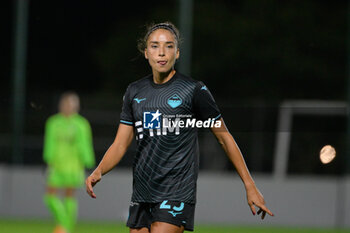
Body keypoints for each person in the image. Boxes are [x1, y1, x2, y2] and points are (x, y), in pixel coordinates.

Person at [85, 22, 273, 233]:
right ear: (146, 53)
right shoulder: (134, 91)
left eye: (169, 46)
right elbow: (120, 144)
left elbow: (224, 137)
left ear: (178, 53)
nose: (162, 52)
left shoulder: (193, 89)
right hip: (143, 190)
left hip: (177, 189)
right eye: (155, 46)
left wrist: (249, 185)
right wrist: (99, 171)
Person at [43, 92, 95, 233]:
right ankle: (64, 224)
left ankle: (65, 228)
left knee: (69, 195)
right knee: (50, 196)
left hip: (74, 165)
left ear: (76, 106)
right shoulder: (53, 122)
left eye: (71, 104)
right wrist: (49, 160)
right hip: (57, 164)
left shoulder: (81, 124)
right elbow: (49, 143)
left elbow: (86, 144)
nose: (68, 107)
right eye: (65, 103)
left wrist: (88, 162)